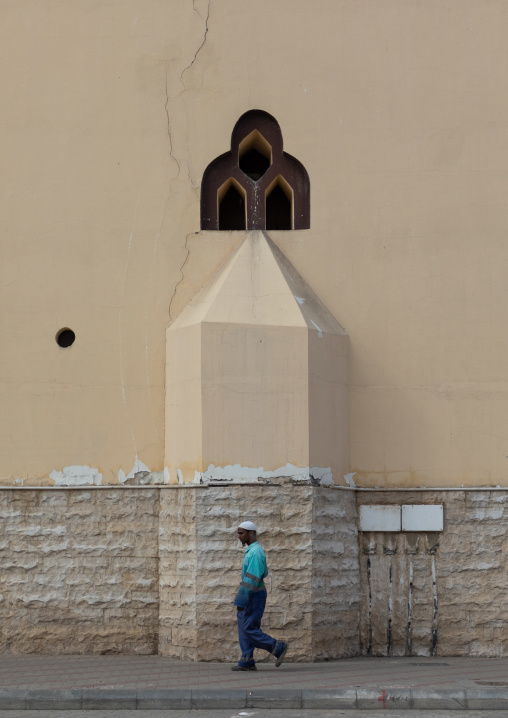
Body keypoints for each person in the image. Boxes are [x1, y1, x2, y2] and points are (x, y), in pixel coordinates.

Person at [232, 520, 288, 671]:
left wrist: (242, 599)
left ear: (251, 533)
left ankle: (278, 647)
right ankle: (247, 660)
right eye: (238, 533)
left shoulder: (256, 552)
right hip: (251, 594)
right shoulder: (252, 550)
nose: (239, 536)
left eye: (241, 533)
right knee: (245, 627)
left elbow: (252, 578)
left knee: (249, 627)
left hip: (253, 595)